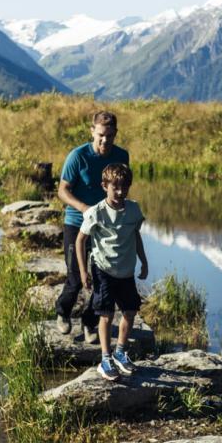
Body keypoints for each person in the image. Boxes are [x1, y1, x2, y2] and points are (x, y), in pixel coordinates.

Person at [57, 110, 129, 340]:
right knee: (76, 277)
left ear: (115, 134)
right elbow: (62, 190)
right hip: (76, 223)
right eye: (100, 135)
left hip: (105, 227)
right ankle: (63, 312)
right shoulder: (77, 156)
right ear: (92, 131)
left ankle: (89, 323)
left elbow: (121, 189)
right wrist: (84, 208)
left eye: (109, 135)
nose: (104, 140)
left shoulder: (121, 156)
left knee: (102, 277)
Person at [75, 162, 148, 381]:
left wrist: (143, 261)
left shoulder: (134, 209)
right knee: (106, 314)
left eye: (124, 187)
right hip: (103, 269)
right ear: (104, 186)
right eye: (115, 187)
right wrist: (83, 271)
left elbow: (136, 236)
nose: (120, 192)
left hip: (125, 271)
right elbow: (80, 240)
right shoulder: (96, 212)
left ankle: (120, 352)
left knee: (130, 311)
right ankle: (105, 358)